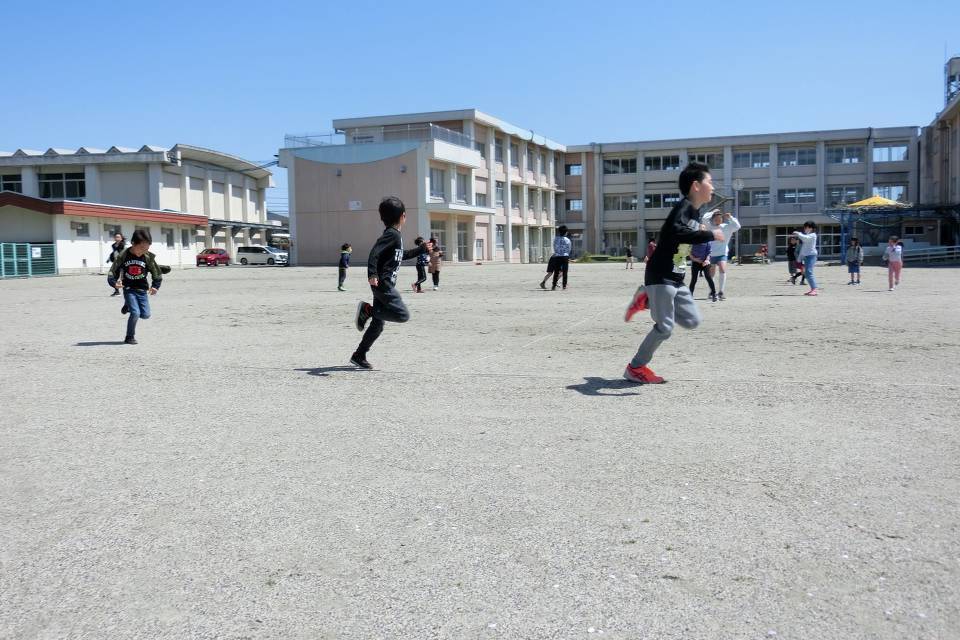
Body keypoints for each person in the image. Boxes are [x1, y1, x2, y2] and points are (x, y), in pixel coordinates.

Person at [622, 162, 723, 384]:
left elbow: (685, 238)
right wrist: (709, 235)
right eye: (710, 181)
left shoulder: (696, 213)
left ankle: (646, 298)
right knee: (665, 327)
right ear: (696, 186)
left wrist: (703, 236)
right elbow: (677, 232)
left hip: (678, 278)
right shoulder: (684, 207)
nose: (713, 186)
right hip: (661, 275)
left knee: (692, 321)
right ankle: (635, 368)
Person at [351, 197, 432, 369]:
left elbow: (402, 255)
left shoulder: (395, 236)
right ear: (403, 216)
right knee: (402, 315)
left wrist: (421, 250)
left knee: (378, 324)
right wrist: (372, 273)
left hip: (383, 284)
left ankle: (359, 354)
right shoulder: (391, 235)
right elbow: (374, 253)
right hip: (384, 284)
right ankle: (368, 310)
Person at [109, 229, 162, 345]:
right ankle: (129, 337)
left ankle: (127, 305)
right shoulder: (124, 255)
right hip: (129, 289)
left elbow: (156, 273)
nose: (144, 251)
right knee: (136, 313)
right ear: (133, 243)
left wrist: (155, 286)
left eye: (146, 249)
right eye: (141, 248)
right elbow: (113, 270)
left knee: (146, 315)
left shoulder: (148, 257)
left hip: (142, 290)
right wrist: (114, 282)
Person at [700, 209, 741, 301]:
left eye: (720, 218)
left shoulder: (726, 227)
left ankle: (721, 292)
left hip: (722, 253)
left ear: (722, 219)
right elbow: (704, 218)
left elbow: (737, 226)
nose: (718, 220)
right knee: (712, 273)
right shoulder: (709, 226)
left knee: (722, 269)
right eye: (716, 218)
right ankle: (712, 291)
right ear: (713, 219)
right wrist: (713, 211)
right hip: (711, 253)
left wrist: (730, 218)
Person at [540, 225, 571, 290]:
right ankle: (564, 286)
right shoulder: (567, 240)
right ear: (566, 232)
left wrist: (557, 252)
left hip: (557, 256)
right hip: (565, 256)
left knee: (555, 272)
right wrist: (567, 255)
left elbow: (554, 247)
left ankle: (553, 286)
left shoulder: (556, 239)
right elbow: (569, 249)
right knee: (564, 272)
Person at [792, 222, 819, 296]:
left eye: (806, 227)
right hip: (807, 256)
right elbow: (803, 249)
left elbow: (805, 238)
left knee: (809, 272)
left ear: (811, 228)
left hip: (811, 256)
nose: (804, 229)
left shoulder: (813, 235)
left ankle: (814, 289)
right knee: (807, 273)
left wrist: (798, 233)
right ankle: (812, 289)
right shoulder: (807, 235)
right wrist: (799, 259)